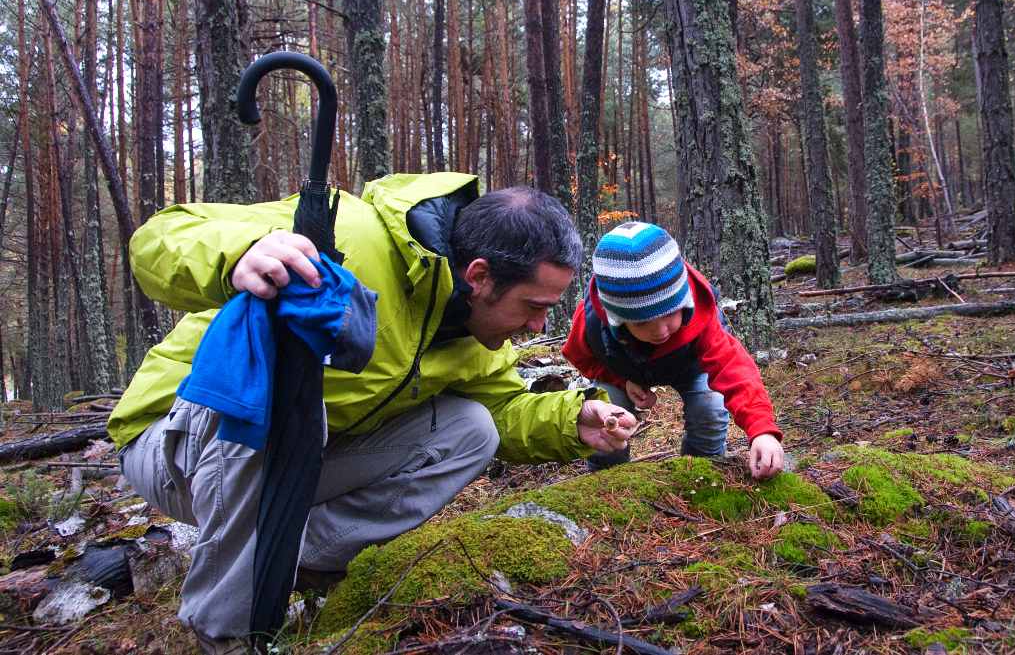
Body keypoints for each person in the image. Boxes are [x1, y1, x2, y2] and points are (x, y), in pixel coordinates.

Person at [108, 173, 637, 652]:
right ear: (479, 275)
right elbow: (160, 237)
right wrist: (241, 253)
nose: (536, 328)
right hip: (177, 445)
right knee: (276, 386)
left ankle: (295, 562)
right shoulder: (350, 236)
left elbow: (500, 412)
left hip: (291, 468)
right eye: (533, 306)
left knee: (470, 429)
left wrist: (571, 421)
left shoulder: (475, 337)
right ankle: (227, 634)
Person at [561, 221, 785, 480]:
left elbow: (734, 369)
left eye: (669, 313)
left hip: (689, 366)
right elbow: (580, 357)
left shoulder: (702, 317)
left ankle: (703, 470)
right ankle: (607, 477)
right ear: (617, 320)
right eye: (642, 322)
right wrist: (621, 380)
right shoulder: (592, 322)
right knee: (605, 409)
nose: (660, 330)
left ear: (684, 300)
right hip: (625, 368)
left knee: (710, 405)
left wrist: (762, 430)